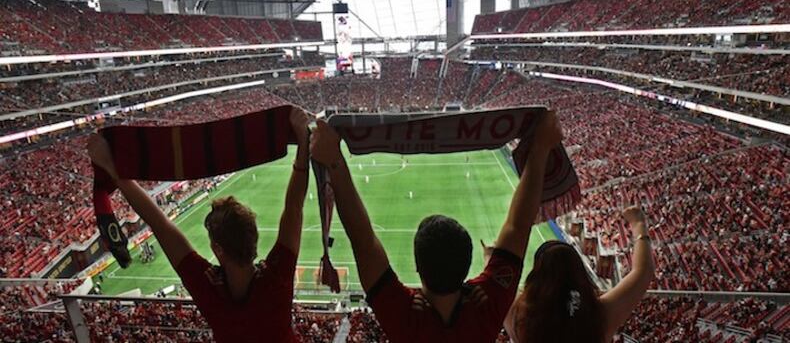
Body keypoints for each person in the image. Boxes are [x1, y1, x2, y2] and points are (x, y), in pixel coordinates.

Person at [310, 111, 563, 342]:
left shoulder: (407, 316)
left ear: (418, 267)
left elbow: (363, 242)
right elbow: (518, 227)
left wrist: (333, 160)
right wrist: (540, 148)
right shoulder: (485, 307)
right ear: (467, 266)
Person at [87, 108, 311, 343]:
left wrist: (112, 167)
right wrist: (303, 142)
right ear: (254, 237)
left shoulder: (208, 288)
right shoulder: (276, 280)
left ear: (217, 249)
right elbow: (294, 207)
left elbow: (159, 224)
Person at [505, 206, 655, 343]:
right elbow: (643, 272)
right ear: (579, 272)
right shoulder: (600, 317)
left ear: (537, 275)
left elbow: (497, 288)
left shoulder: (517, 316)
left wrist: (489, 257)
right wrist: (639, 225)